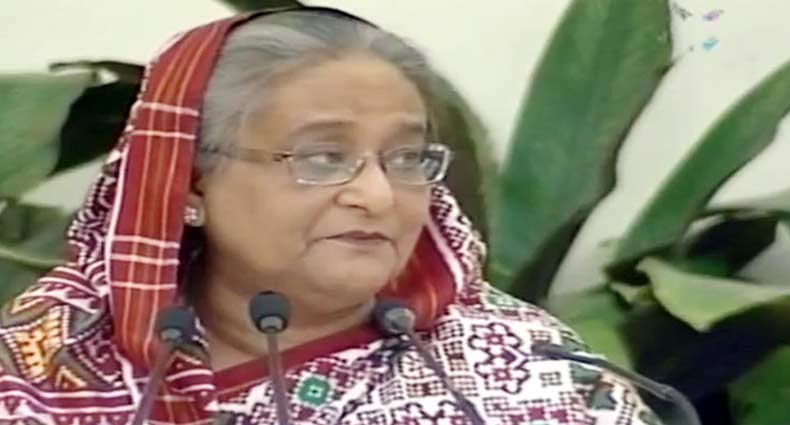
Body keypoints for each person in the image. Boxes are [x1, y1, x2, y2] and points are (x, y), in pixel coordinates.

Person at [0, 7, 661, 424]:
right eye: (322, 157)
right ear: (190, 182)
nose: (377, 195)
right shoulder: (48, 357)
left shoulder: (528, 373)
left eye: (406, 158)